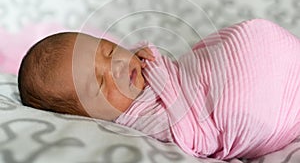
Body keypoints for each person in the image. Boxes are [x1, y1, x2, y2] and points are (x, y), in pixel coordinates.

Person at [18, 19, 300, 160]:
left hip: (233, 59)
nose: (115, 66)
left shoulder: (130, 72)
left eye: (107, 51)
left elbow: (169, 68)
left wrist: (146, 59)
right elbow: (192, 137)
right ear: (88, 116)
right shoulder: (139, 120)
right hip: (242, 100)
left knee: (249, 36)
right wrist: (161, 77)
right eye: (102, 84)